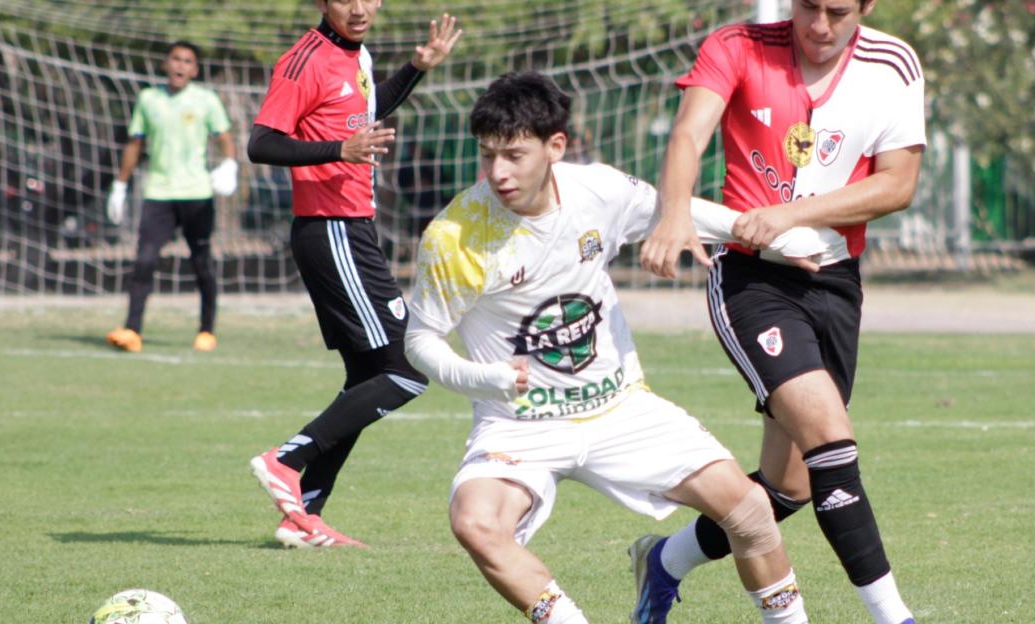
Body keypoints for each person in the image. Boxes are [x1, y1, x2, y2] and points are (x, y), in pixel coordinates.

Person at [406, 72, 826, 624]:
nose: (498, 173)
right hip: (520, 424)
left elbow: (677, 214)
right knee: (475, 523)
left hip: (619, 407)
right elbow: (420, 339)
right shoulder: (456, 234)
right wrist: (484, 378)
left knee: (750, 512)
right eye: (487, 156)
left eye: (514, 154)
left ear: (555, 146)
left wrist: (770, 238)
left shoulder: (598, 190)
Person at [636, 1, 925, 623]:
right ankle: (893, 616)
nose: (818, 25)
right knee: (831, 442)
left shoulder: (892, 63)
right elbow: (689, 132)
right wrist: (676, 208)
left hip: (837, 283)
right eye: (807, 6)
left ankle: (665, 562)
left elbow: (898, 185)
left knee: (790, 487)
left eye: (838, 10)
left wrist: (792, 215)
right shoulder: (737, 45)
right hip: (751, 281)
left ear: (867, 7)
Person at [243, 0, 461, 548]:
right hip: (330, 229)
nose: (360, 8)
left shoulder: (357, 54)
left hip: (352, 230)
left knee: (367, 378)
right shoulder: (303, 61)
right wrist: (340, 148)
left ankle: (304, 516)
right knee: (407, 367)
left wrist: (417, 69)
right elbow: (261, 143)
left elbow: (364, 112)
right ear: (322, 2)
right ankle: (285, 460)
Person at [105, 40, 237, 354]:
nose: (180, 66)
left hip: (197, 193)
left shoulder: (205, 99)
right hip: (159, 192)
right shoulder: (148, 99)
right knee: (144, 260)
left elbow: (224, 138)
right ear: (166, 64)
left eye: (187, 61)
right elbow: (135, 144)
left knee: (202, 262)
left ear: (195, 69)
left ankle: (207, 330)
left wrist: (230, 165)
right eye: (176, 59)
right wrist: (120, 186)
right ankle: (132, 330)